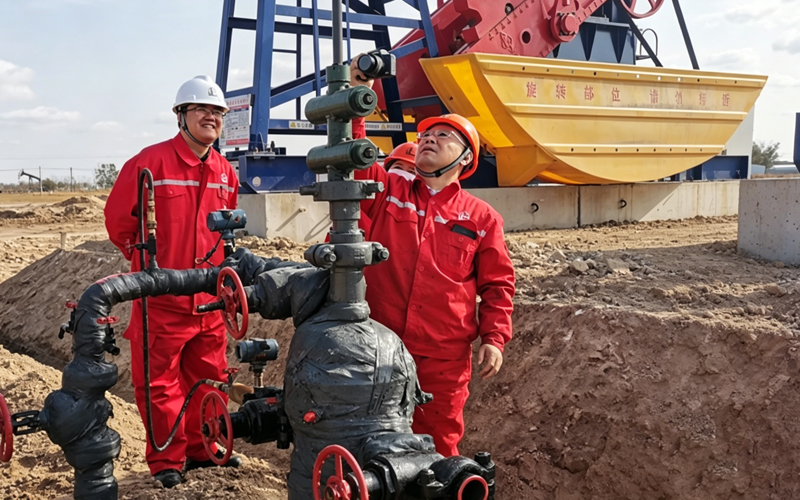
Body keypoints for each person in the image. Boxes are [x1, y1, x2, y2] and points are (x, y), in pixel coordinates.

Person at [350, 64, 515, 457]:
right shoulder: (390, 191)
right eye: (425, 135)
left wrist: (494, 339)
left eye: (443, 136)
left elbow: (497, 285)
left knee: (438, 445)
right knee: (371, 436)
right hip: (380, 343)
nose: (428, 139)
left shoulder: (481, 218)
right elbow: (356, 159)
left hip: (442, 357)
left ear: (465, 158)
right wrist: (357, 95)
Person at [104, 75, 241, 488]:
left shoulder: (224, 172)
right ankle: (167, 460)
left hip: (210, 302)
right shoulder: (150, 163)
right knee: (159, 384)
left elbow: (226, 232)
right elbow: (119, 221)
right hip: (160, 302)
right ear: (181, 115)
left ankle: (204, 450)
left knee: (208, 380)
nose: (211, 117)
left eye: (217, 112)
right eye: (202, 109)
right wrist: (146, 266)